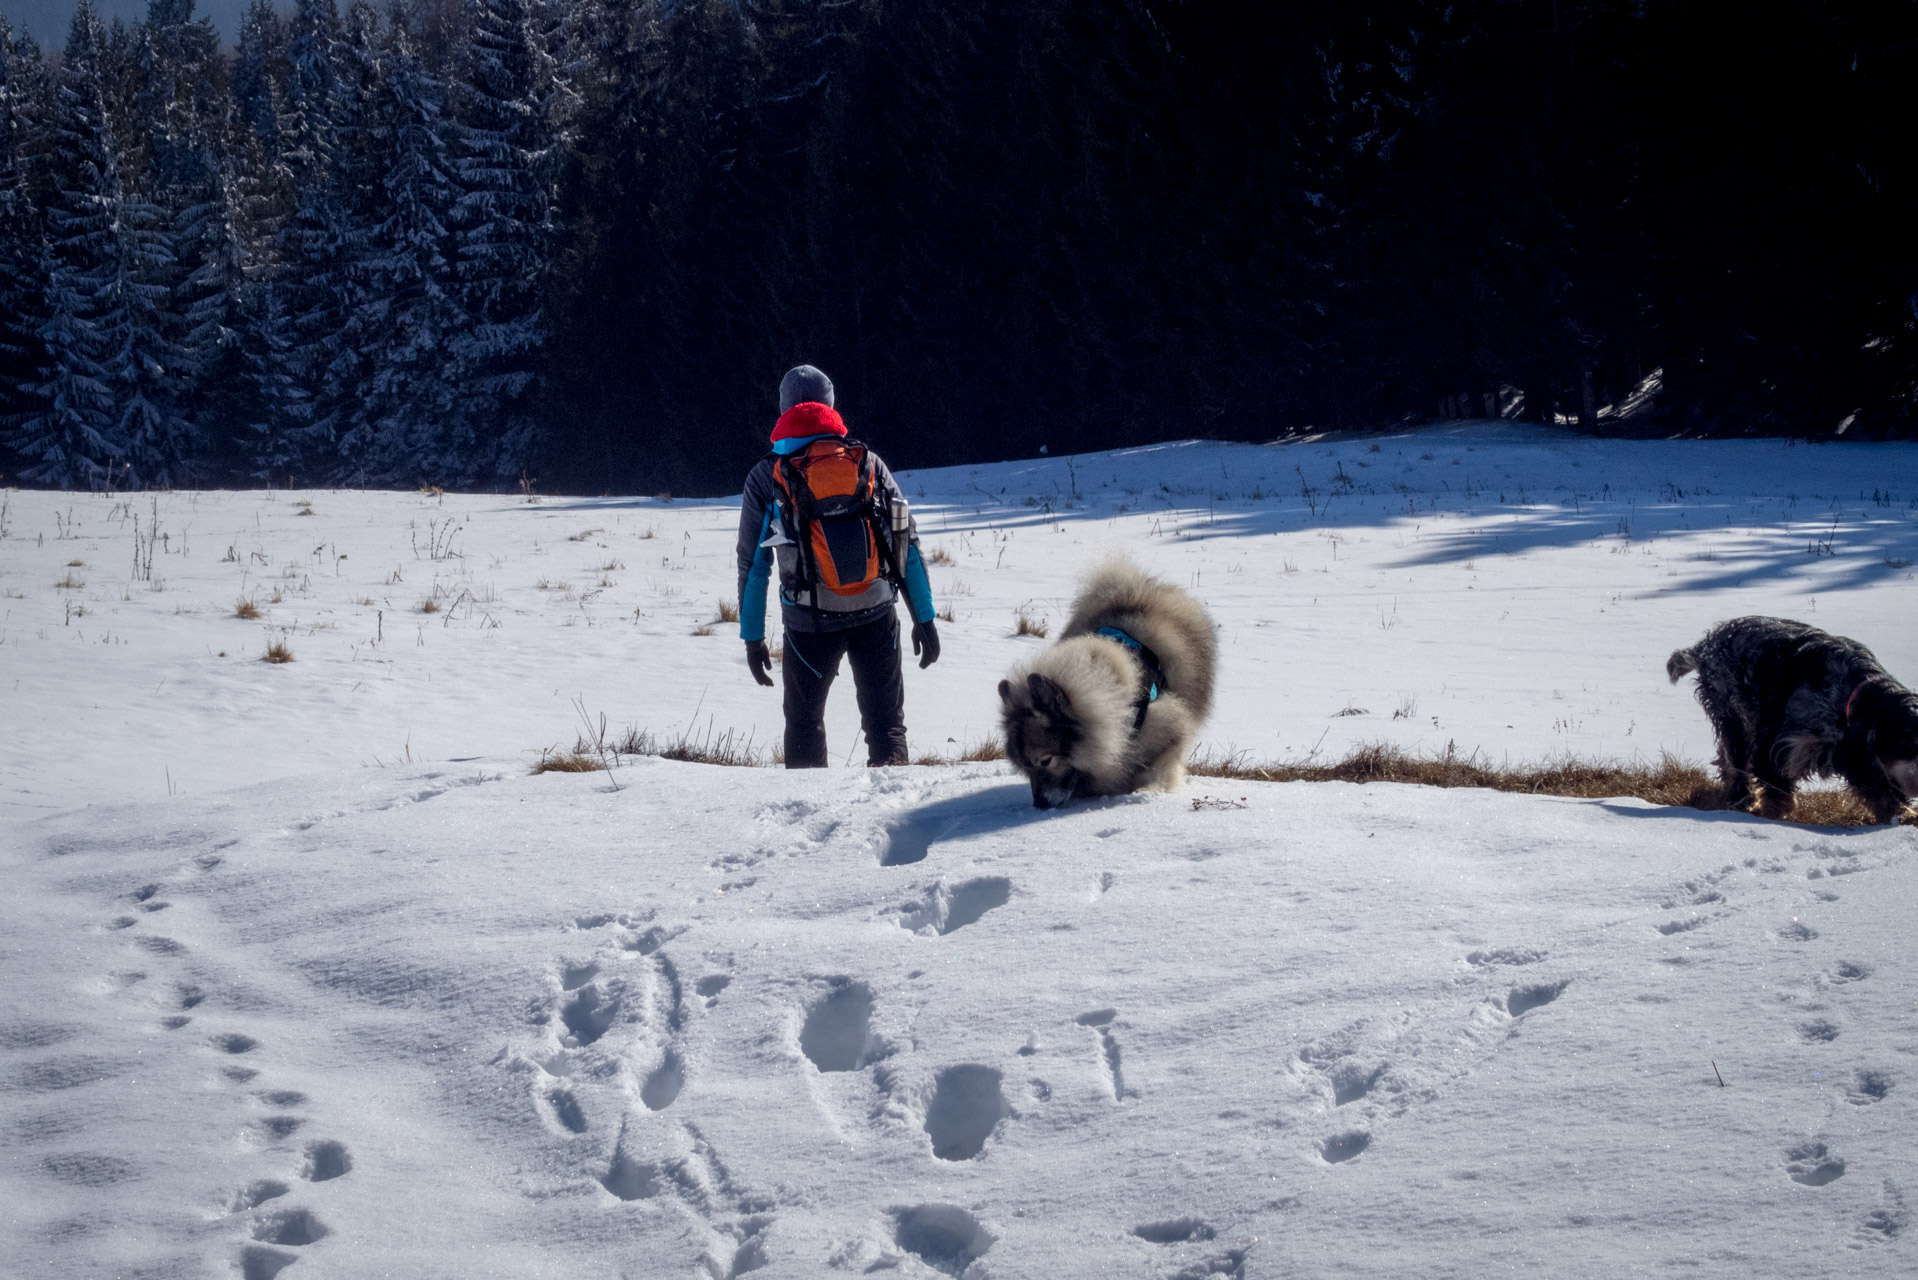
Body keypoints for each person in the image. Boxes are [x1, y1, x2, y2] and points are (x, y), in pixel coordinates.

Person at [736, 365, 940, 767]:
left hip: (809, 622)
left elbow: (754, 562)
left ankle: (808, 818)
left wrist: (752, 637)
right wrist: (925, 618)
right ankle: (895, 818)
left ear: (783, 409)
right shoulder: (866, 462)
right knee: (886, 725)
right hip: (877, 612)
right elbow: (907, 542)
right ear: (831, 407)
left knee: (804, 723)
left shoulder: (766, 475)